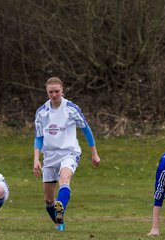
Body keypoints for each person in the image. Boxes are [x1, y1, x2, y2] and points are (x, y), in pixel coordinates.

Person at [33, 77, 101, 231]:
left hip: (69, 153)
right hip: (49, 156)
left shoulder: (71, 109)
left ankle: (60, 207)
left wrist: (94, 154)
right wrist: (36, 159)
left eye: (57, 91)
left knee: (64, 179)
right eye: (51, 92)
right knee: (48, 199)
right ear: (47, 92)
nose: (54, 94)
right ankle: (59, 221)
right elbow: (38, 137)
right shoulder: (41, 112)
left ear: (62, 90)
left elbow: (86, 129)